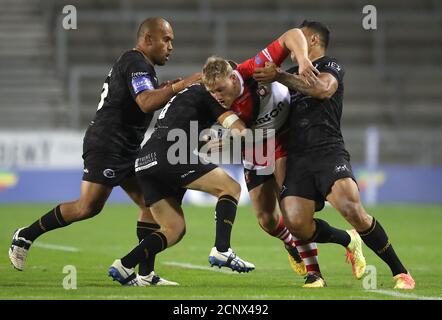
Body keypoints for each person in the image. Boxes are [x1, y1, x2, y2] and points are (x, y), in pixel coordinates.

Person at [9, 17, 200, 286]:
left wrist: (166, 88)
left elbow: (142, 98)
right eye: (166, 40)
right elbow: (145, 102)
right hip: (108, 144)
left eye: (172, 41)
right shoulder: (136, 63)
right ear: (147, 40)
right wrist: (179, 86)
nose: (170, 47)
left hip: (128, 148)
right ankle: (25, 234)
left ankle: (145, 274)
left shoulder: (141, 66)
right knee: (88, 207)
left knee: (151, 201)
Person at [253, 20, 415, 289]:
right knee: (296, 223)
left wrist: (280, 76)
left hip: (328, 151)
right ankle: (325, 265)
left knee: (352, 209)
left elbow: (322, 90)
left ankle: (401, 272)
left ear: (313, 41)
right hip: (296, 159)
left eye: (301, 39)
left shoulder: (331, 66)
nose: (294, 46)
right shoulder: (287, 74)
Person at [201, 28, 327, 287]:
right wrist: (221, 140)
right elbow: (238, 131)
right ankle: (292, 244)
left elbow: (292, 34)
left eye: (221, 90)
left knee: (291, 211)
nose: (217, 98)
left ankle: (314, 273)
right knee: (267, 220)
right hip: (256, 145)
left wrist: (302, 60)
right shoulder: (217, 100)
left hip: (283, 137)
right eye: (212, 93)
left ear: (234, 79)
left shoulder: (253, 70)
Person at [108, 81, 256, 285]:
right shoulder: (208, 94)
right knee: (231, 188)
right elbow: (240, 130)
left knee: (173, 228)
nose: (224, 95)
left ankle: (128, 266)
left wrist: (205, 141)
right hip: (171, 155)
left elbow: (181, 127)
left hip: (146, 158)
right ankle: (222, 249)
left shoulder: (187, 94)